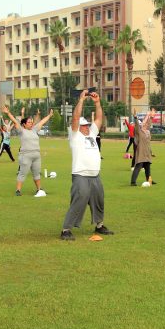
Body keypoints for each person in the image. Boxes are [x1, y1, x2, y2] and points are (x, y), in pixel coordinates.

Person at [61, 90, 114, 240]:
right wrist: (82, 100)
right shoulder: (75, 135)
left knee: (99, 200)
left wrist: (97, 103)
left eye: (86, 125)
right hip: (81, 175)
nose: (86, 127)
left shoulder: (91, 133)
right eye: (83, 125)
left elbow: (99, 118)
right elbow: (76, 117)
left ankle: (99, 225)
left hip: (95, 175)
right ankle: (66, 229)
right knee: (79, 200)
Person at [3, 105, 52, 197]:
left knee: (36, 174)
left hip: (36, 155)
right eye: (29, 122)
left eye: (31, 122)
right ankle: (18, 190)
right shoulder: (21, 131)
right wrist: (8, 113)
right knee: (22, 173)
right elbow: (14, 121)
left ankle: (39, 189)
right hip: (25, 156)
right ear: (24, 124)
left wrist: (49, 115)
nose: (31, 123)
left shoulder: (34, 130)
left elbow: (42, 122)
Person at [131, 109, 155, 186]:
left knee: (147, 167)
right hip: (141, 152)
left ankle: (149, 179)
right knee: (138, 166)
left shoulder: (147, 132)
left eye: (145, 123)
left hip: (147, 152)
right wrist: (135, 117)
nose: (145, 124)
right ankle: (133, 182)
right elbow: (137, 125)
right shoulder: (139, 132)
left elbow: (149, 123)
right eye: (144, 123)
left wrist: (150, 117)